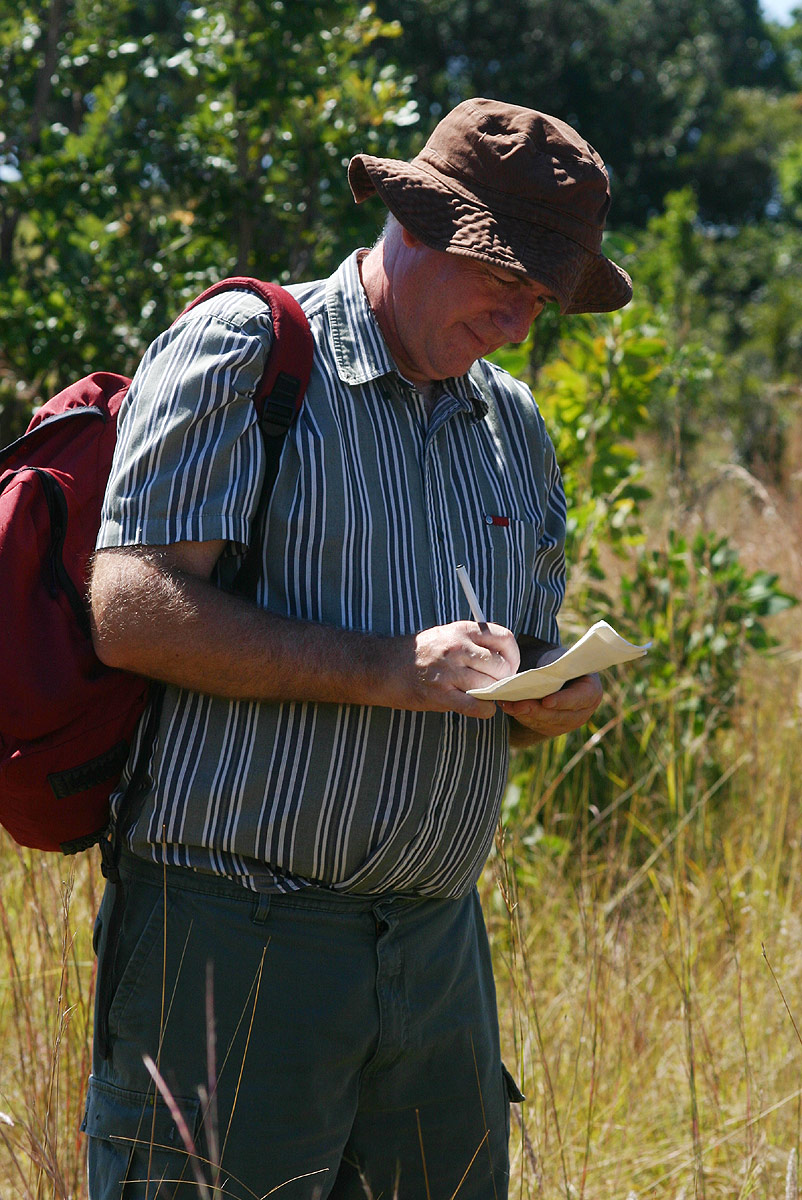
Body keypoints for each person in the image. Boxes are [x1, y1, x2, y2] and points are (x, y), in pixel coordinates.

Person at [83, 97, 632, 1199]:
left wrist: (541, 696)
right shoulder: (250, 348)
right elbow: (130, 606)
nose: (522, 320)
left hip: (435, 959)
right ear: (419, 226)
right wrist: (388, 670)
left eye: (543, 297)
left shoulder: (512, 426)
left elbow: (496, 659)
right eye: (505, 282)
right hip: (232, 941)